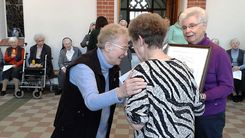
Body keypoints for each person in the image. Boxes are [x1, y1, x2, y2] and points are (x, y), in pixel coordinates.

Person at [51, 23, 147, 138]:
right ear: (108, 47)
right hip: (74, 131)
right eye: (124, 48)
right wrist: (121, 92)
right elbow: (91, 101)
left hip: (97, 129)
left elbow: (112, 98)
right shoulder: (83, 67)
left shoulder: (111, 66)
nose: (126, 53)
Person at [125, 13, 205, 138]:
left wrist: (126, 97)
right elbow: (199, 109)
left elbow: (137, 122)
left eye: (132, 43)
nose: (133, 48)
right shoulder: (183, 67)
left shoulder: (142, 71)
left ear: (140, 41)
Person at [179, 7, 233, 138]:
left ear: (204, 26)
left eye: (192, 26)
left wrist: (203, 96)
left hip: (209, 115)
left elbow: (227, 87)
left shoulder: (219, 53)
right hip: (186, 114)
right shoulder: (181, 52)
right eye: (184, 27)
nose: (187, 31)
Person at [226, 38, 245, 102]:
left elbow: (244, 64)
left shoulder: (243, 52)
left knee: (243, 75)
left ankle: (240, 93)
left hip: (240, 69)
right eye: (233, 43)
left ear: (239, 44)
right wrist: (231, 68)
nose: (235, 44)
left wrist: (239, 68)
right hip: (230, 69)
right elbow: (225, 63)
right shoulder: (227, 52)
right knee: (228, 75)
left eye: (237, 43)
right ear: (231, 44)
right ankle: (233, 92)